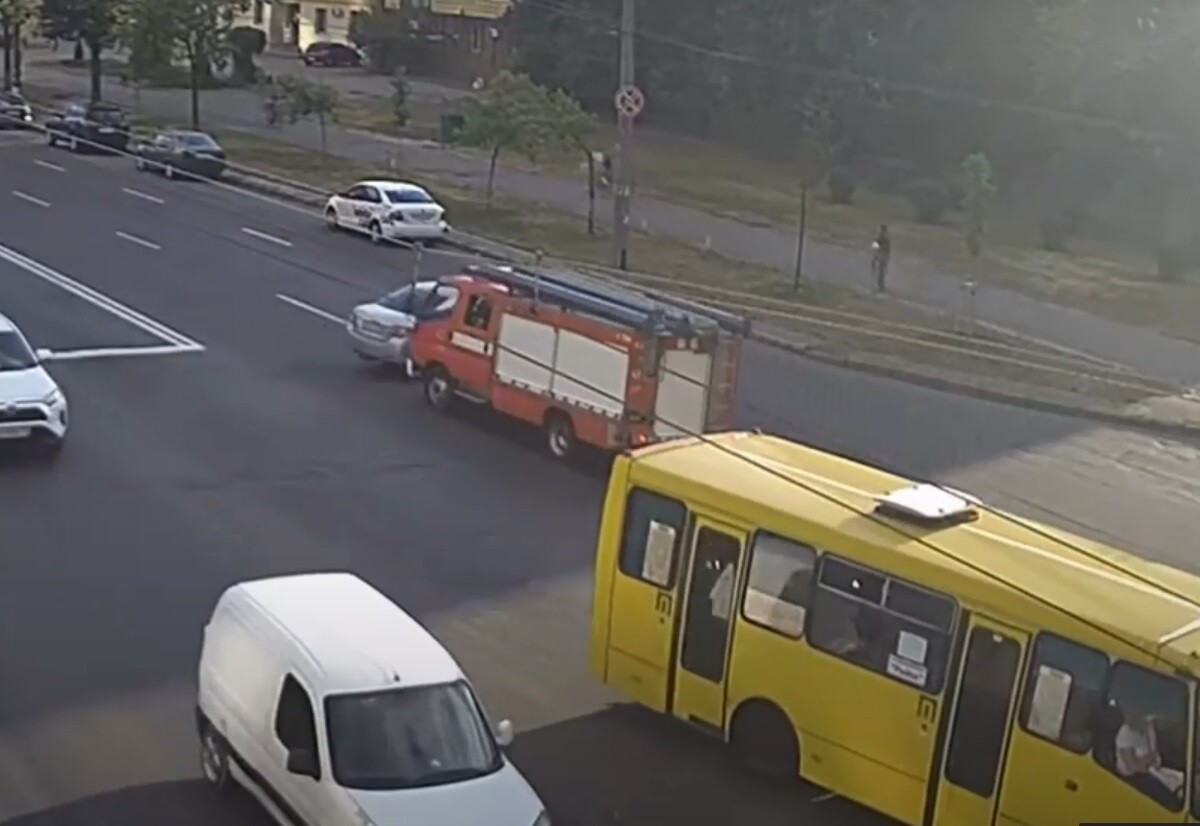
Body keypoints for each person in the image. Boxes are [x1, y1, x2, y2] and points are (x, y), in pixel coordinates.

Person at [1114, 708, 1184, 807]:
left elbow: (1155, 755)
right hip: (1132, 777)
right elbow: (1132, 767)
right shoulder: (1125, 733)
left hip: (1151, 769)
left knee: (1182, 779)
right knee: (1167, 797)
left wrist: (1151, 761)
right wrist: (1149, 760)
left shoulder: (1149, 728)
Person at [871, 224, 891, 293]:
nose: (881, 232)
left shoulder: (885, 239)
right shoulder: (879, 238)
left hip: (884, 256)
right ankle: (880, 285)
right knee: (880, 271)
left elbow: (887, 250)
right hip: (881, 255)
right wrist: (875, 257)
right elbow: (875, 248)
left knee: (881, 271)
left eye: (882, 231)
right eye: (881, 231)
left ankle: (881, 285)